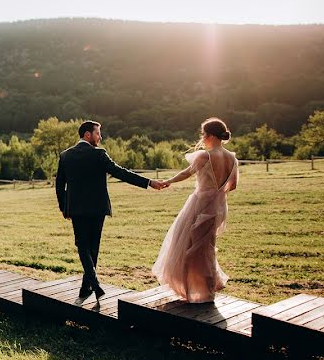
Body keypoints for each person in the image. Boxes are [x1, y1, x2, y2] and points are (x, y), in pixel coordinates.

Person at [56, 121, 166, 299]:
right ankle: (91, 285)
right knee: (94, 246)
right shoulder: (99, 154)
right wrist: (149, 183)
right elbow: (121, 173)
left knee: (82, 245)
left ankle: (89, 285)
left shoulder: (66, 155)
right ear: (87, 135)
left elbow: (59, 185)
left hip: (76, 209)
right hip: (98, 208)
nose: (100, 137)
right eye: (98, 133)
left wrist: (64, 207)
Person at [152, 117, 239, 303]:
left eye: (203, 133)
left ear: (209, 135)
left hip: (200, 205)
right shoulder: (232, 158)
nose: (202, 137)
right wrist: (217, 194)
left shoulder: (204, 156)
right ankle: (205, 289)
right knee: (206, 247)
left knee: (191, 248)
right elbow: (233, 186)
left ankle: (196, 290)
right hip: (219, 207)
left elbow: (186, 173)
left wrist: (168, 181)